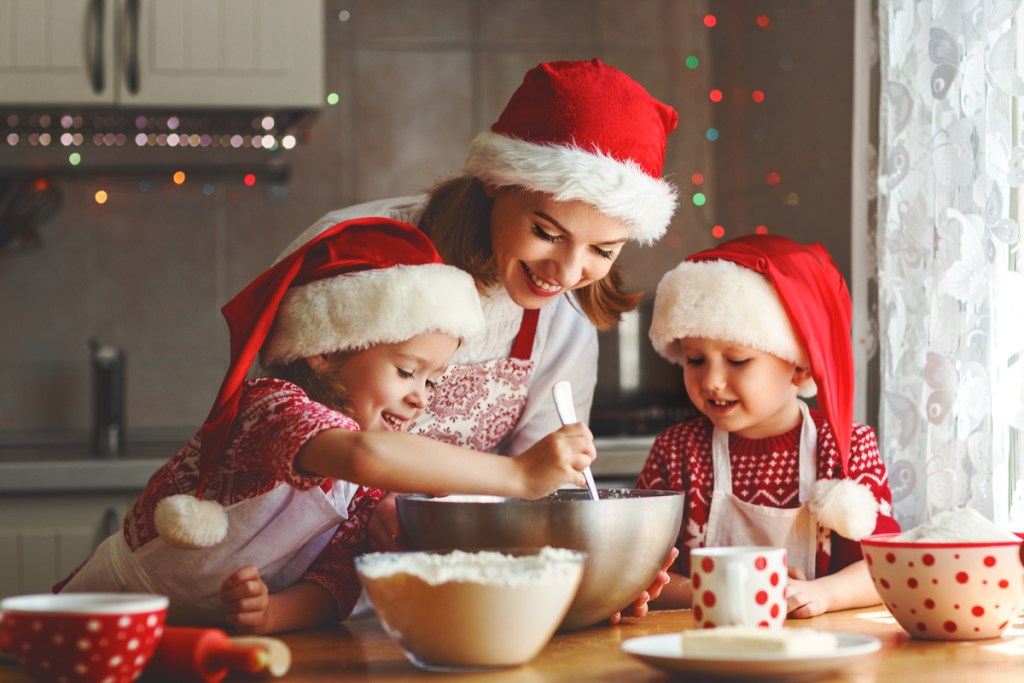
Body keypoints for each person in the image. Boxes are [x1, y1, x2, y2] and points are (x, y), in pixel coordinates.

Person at [55, 217, 597, 635]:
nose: (420, 397)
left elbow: (335, 584)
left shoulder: (368, 480)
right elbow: (363, 456)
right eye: (407, 370)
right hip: (98, 614)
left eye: (433, 382)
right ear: (324, 351)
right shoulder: (270, 407)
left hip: (204, 644)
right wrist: (519, 476)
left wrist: (270, 614)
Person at [638, 234, 901, 618]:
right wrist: (731, 590)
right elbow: (640, 575)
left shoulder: (846, 448)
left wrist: (821, 594)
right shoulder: (676, 452)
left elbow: (886, 566)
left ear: (801, 366)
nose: (711, 380)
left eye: (738, 360)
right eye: (695, 359)